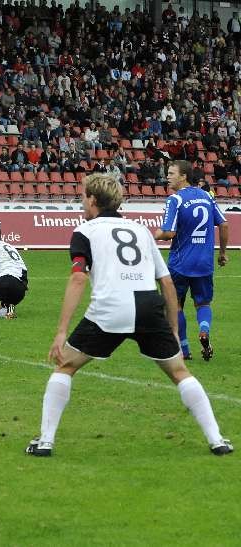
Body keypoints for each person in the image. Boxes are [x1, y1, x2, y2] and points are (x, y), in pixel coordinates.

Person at [27, 174, 232, 457]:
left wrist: (61, 331)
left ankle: (45, 441)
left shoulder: (84, 231)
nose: (81, 202)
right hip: (149, 308)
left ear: (93, 200)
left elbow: (78, 279)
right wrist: (173, 328)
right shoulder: (140, 230)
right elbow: (167, 282)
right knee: (179, 372)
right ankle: (217, 440)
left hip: (109, 310)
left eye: (83, 197)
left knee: (65, 368)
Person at [154, 160, 229, 361]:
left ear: (184, 176)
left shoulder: (175, 200)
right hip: (204, 262)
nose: (167, 176)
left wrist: (155, 234)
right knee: (203, 303)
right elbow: (223, 225)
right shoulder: (207, 196)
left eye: (171, 173)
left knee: (175, 304)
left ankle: (185, 350)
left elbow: (169, 233)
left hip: (180, 263)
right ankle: (204, 330)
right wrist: (222, 253)